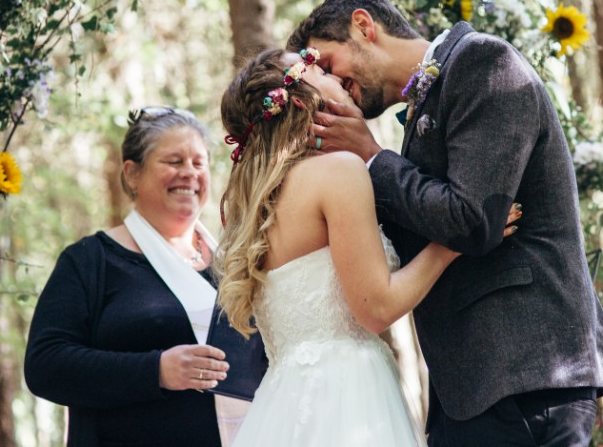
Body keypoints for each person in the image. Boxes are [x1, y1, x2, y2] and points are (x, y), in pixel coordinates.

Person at [287, 0, 603, 447]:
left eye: (327, 65)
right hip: (473, 390)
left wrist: (371, 157)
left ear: (364, 27)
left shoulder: (484, 61)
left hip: (527, 373)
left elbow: (473, 220)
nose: (331, 86)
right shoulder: (421, 108)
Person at [214, 48, 519, 447]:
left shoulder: (258, 204)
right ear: (303, 98)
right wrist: (450, 245)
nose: (335, 75)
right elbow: (377, 308)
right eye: (318, 70)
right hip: (347, 399)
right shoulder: (337, 172)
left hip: (282, 405)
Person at [25, 107, 249, 447]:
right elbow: (45, 366)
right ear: (132, 174)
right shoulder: (91, 260)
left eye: (198, 163)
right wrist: (156, 370)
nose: (189, 173)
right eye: (174, 162)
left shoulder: (232, 264)